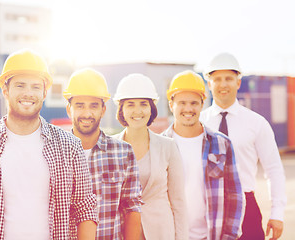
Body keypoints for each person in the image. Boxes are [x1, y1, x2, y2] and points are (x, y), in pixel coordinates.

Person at [0, 49, 98, 240]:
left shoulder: (70, 146)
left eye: (36, 87)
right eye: (20, 85)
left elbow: (85, 209)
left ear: (45, 92)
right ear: (5, 90)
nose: (28, 93)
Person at [200, 52, 287, 240]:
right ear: (209, 84)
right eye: (217, 79)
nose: (223, 84)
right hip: (206, 207)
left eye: (229, 79)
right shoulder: (198, 123)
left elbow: (273, 169)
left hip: (246, 207)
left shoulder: (257, 123)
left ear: (238, 83)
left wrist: (277, 213)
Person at [163, 70, 243, 240]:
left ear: (202, 104)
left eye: (194, 103)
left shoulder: (222, 144)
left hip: (210, 235)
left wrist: (229, 236)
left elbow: (234, 195)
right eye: (182, 103)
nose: (188, 109)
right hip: (171, 235)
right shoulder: (158, 146)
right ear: (171, 105)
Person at [63, 68, 143, 239]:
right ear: (69, 109)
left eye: (93, 106)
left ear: (103, 110)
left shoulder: (123, 152)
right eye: (80, 105)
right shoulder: (55, 153)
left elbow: (132, 209)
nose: (87, 113)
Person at [112, 73, 188, 240]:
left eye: (143, 104)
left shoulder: (168, 146)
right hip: (122, 232)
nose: (137, 111)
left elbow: (179, 203)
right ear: (121, 109)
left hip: (161, 232)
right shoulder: (109, 147)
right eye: (130, 104)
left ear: (151, 108)